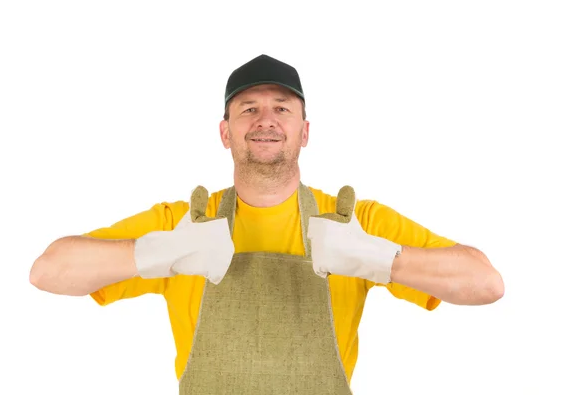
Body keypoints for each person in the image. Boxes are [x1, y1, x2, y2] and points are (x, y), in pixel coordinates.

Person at [29, 54, 504, 394]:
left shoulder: (353, 222)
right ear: (225, 131)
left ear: (305, 130)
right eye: (248, 108)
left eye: (282, 107)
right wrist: (159, 253)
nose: (266, 119)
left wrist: (381, 259)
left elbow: (485, 283)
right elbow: (48, 271)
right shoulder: (183, 223)